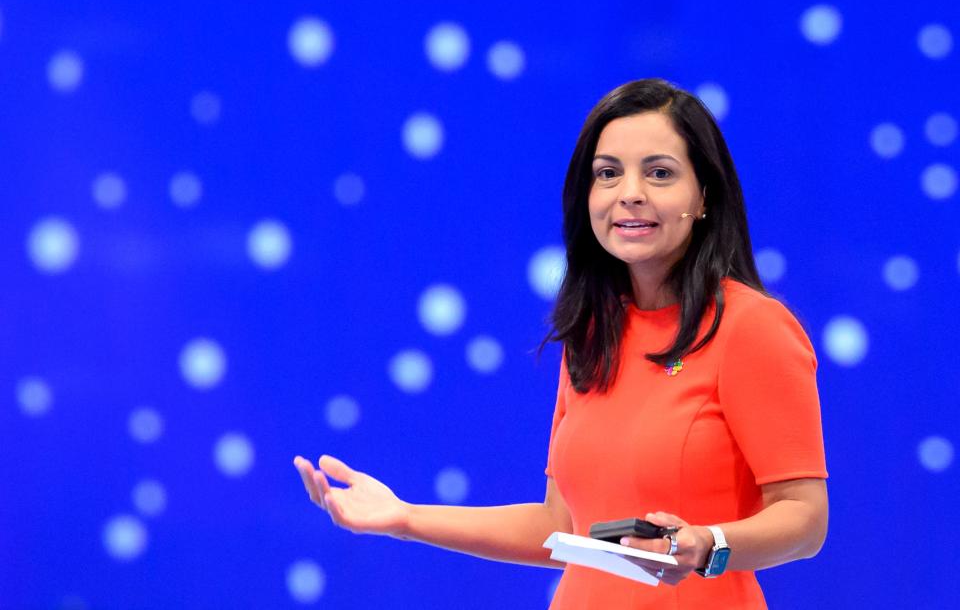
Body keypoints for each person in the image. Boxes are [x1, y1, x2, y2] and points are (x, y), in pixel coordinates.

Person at [293, 78, 828, 609]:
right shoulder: (594, 331)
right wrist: (405, 518)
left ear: (704, 196)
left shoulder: (751, 326)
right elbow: (561, 526)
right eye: (608, 173)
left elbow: (805, 520)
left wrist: (709, 545)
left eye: (660, 173)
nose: (631, 192)